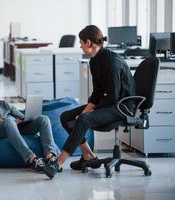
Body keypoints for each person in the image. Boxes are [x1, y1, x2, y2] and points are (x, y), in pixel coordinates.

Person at [44, 25, 135, 179]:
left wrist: (87, 114)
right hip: (110, 103)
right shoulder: (94, 61)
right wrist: (86, 110)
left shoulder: (113, 63)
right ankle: (88, 155)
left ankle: (58, 163)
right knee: (66, 117)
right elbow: (98, 92)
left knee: (83, 119)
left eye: (80, 42)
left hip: (121, 107)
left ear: (88, 43)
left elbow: (112, 98)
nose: (79, 45)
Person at [0, 71, 60, 173]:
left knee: (44, 119)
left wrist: (24, 120)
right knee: (9, 121)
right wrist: (8, 122)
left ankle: (50, 157)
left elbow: (22, 116)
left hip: (16, 127)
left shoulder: (3, 103)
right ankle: (32, 159)